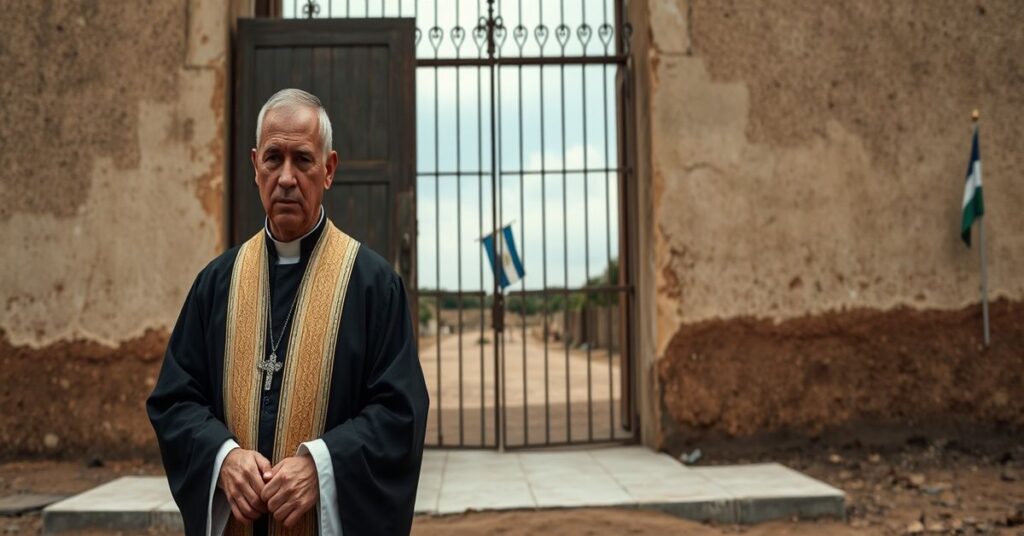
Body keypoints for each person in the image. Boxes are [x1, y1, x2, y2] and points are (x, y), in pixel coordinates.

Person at [147, 88, 429, 536]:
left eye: (303, 160)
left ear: (329, 169)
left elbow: (400, 414)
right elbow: (175, 400)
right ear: (255, 165)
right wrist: (223, 458)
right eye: (274, 158)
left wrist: (323, 467)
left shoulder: (373, 286)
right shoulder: (216, 284)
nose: (286, 177)